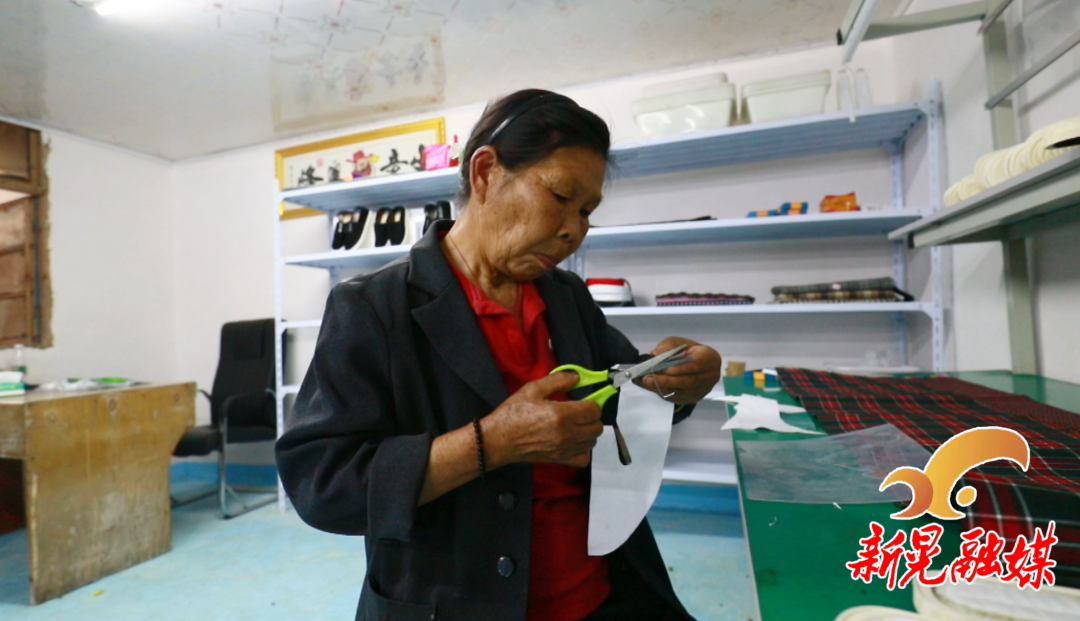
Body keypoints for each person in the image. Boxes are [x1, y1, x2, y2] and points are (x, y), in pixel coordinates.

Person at [276, 89, 722, 621]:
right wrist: (491, 443)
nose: (573, 230)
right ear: (485, 172)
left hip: (599, 595)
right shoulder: (374, 308)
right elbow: (323, 485)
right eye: (560, 196)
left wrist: (672, 382)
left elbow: (623, 395)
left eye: (587, 211)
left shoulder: (566, 297)